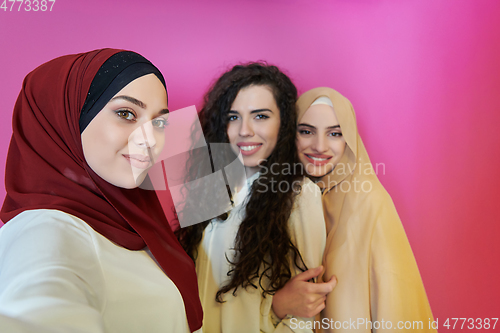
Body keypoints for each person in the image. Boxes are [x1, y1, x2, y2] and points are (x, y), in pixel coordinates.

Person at [0, 49, 203, 333]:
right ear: (66, 120)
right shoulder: (46, 228)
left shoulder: (132, 222)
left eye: (159, 122)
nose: (150, 141)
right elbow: (41, 308)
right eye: (126, 113)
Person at [176, 63, 333, 332]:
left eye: (260, 116)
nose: (245, 130)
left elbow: (305, 311)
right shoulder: (210, 187)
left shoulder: (299, 195)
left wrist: (273, 309)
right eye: (233, 117)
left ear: (284, 123)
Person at [291, 87, 436, 332]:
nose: (319, 145)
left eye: (335, 133)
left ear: (348, 139)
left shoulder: (371, 202)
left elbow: (396, 302)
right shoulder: (281, 203)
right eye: (306, 131)